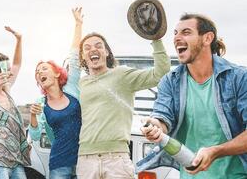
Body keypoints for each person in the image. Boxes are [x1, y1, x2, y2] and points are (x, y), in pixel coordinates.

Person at [140, 13, 247, 178]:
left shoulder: (239, 78)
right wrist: (155, 125)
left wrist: (216, 151)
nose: (177, 38)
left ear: (207, 38)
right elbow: (162, 116)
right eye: (175, 33)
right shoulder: (170, 81)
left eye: (186, 32)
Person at [76, 29, 170, 178]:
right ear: (82, 56)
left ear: (106, 52)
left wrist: (156, 39)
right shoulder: (80, 84)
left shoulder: (122, 75)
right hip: (86, 160)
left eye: (98, 45)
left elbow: (160, 73)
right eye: (87, 48)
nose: (93, 49)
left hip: (116, 159)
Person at [28, 7, 83, 179]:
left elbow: (74, 57)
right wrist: (32, 117)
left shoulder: (72, 88)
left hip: (84, 160)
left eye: (44, 68)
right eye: (37, 72)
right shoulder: (41, 102)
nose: (40, 73)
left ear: (57, 73)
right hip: (59, 162)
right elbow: (35, 135)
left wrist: (78, 24)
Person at [0, 27, 31, 179]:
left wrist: (19, 40)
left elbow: (17, 64)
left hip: (15, 158)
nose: (8, 70)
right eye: (3, 67)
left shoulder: (7, 90)